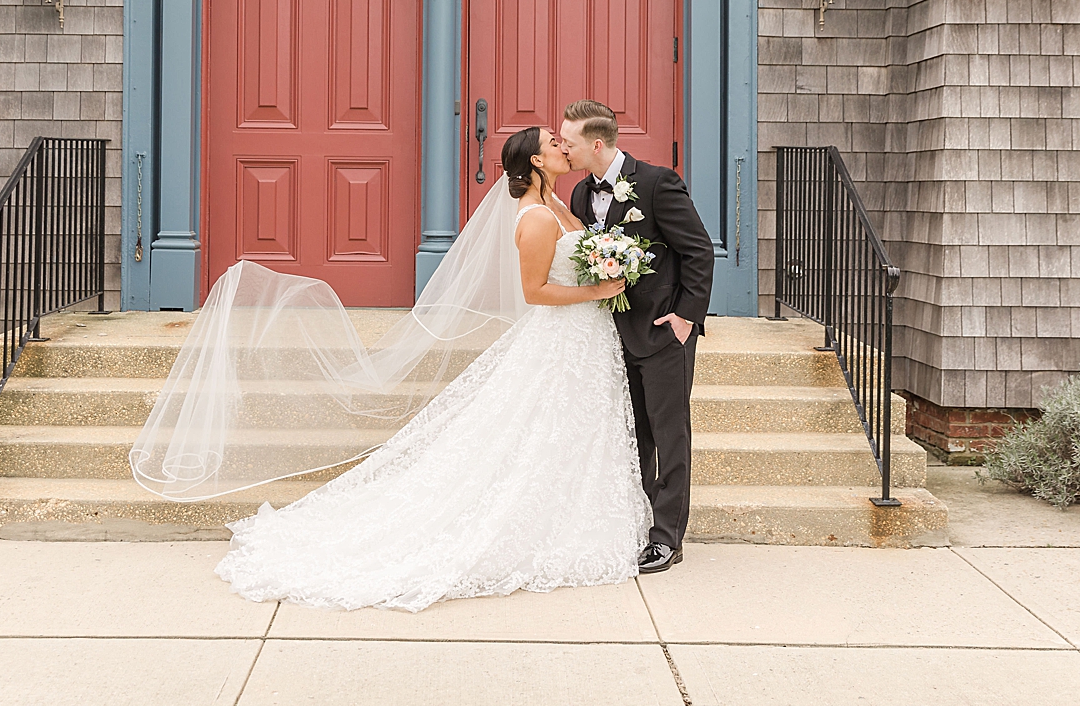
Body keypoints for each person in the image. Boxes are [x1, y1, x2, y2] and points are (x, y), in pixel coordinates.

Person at [205, 126, 651, 611]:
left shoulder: (564, 205)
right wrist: (598, 290)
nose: (564, 146)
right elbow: (535, 293)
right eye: (553, 142)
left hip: (584, 341)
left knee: (570, 433)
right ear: (538, 163)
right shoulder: (538, 219)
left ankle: (572, 517)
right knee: (539, 435)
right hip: (562, 338)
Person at [560, 99, 715, 574]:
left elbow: (699, 251)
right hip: (611, 336)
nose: (563, 149)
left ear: (597, 143)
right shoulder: (581, 196)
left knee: (669, 436)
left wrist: (685, 319)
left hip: (663, 330)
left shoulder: (656, 183)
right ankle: (636, 521)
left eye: (569, 142)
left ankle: (667, 537)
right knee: (633, 435)